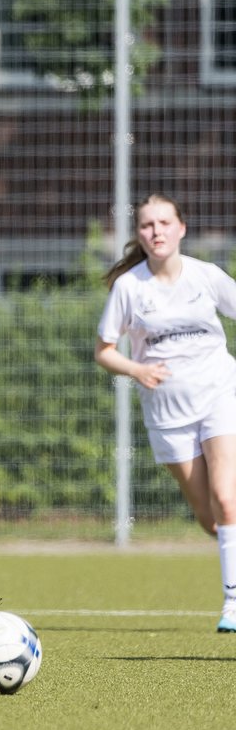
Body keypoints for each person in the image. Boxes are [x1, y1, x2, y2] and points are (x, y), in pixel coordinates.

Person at [96, 193, 236, 633]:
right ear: (139, 234)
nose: (155, 231)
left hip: (219, 393)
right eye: (146, 225)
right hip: (168, 416)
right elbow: (104, 351)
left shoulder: (205, 276)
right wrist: (137, 368)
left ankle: (232, 603)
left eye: (163, 222)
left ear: (181, 228)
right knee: (209, 518)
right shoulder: (130, 287)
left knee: (227, 496)